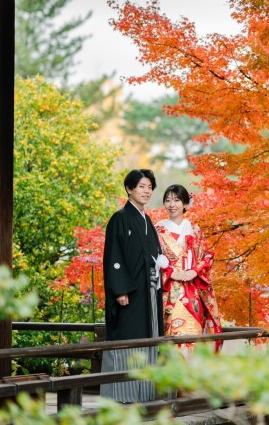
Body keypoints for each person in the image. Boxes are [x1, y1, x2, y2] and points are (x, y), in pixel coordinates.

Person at [100, 169, 168, 402]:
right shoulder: (120, 218)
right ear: (129, 189)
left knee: (150, 335)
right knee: (129, 338)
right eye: (141, 186)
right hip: (129, 292)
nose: (146, 191)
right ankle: (123, 394)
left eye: (149, 187)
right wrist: (119, 290)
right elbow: (114, 256)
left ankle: (146, 393)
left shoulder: (147, 220)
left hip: (148, 290)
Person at [155, 184, 223, 351]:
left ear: (185, 204)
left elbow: (207, 256)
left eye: (177, 200)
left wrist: (194, 271)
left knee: (195, 334)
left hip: (193, 292)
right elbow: (152, 260)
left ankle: (192, 374)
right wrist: (171, 273)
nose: (172, 204)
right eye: (168, 200)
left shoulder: (194, 229)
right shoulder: (158, 229)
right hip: (170, 291)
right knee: (174, 337)